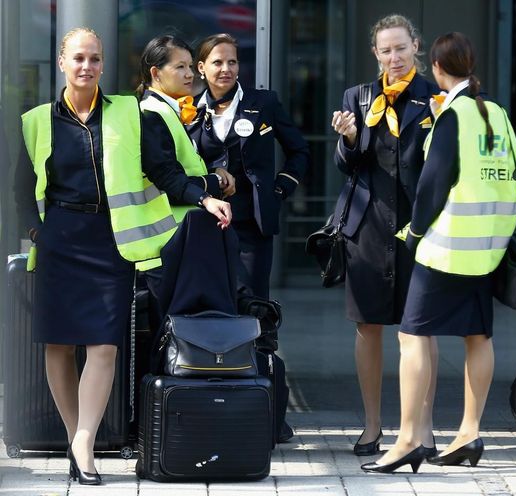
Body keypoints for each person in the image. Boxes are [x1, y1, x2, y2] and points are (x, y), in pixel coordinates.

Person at [14, 28, 231, 485]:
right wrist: (35, 232)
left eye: (94, 58)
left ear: (102, 64)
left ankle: (85, 443)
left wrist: (203, 195)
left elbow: (161, 168)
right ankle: (78, 439)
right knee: (57, 344)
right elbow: (20, 189)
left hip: (109, 239)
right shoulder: (35, 120)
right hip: (59, 237)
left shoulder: (130, 113)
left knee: (104, 344)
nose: (86, 66)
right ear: (62, 62)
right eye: (78, 58)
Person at [361, 32, 516, 474]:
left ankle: (410, 438)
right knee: (478, 337)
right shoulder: (498, 116)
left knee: (412, 336)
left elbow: (433, 186)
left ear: (435, 68)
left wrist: (413, 233)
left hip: (446, 248)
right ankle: (470, 432)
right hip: (487, 249)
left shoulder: (453, 116)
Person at [330, 14, 440, 456]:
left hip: (420, 225)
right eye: (385, 50)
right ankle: (373, 425)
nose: (393, 57)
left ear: (417, 45)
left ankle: (422, 427)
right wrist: (351, 137)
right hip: (369, 225)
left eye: (400, 47)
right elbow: (346, 164)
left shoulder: (435, 95)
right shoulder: (359, 97)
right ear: (375, 54)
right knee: (368, 326)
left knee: (420, 330)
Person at [187, 33, 310, 300]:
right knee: (210, 301)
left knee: (254, 302)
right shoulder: (190, 110)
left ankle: (262, 343)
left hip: (252, 222)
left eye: (232, 62)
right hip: (203, 219)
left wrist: (279, 190)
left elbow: (298, 149)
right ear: (201, 68)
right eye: (217, 62)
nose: (226, 69)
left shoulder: (264, 103)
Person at [135, 34, 236, 333]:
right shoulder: (151, 113)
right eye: (180, 67)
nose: (190, 74)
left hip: (182, 241)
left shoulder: (169, 109)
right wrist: (212, 188)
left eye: (190, 66)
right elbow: (168, 178)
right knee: (169, 337)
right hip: (167, 246)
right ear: (156, 73)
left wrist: (213, 174)